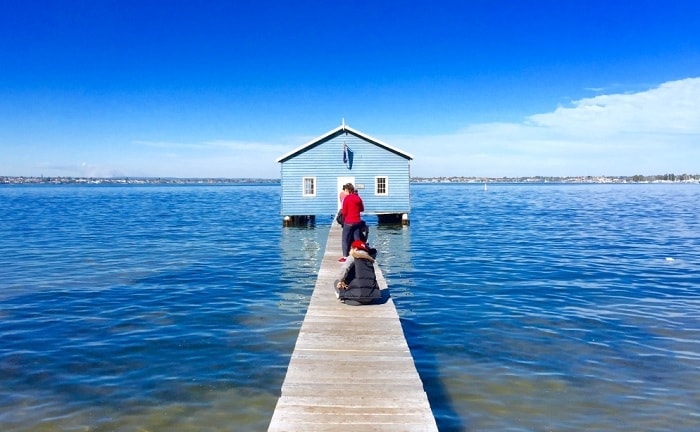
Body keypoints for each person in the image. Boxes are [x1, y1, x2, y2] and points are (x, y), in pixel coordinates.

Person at [334, 240, 381, 305]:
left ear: (355, 249)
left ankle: (341, 296)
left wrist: (341, 280)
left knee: (336, 282)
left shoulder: (353, 257)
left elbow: (345, 268)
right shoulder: (369, 260)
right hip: (370, 297)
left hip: (356, 296)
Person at [339, 183, 364, 262]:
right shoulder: (358, 198)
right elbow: (362, 209)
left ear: (347, 190)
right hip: (357, 221)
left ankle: (345, 257)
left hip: (349, 222)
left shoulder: (347, 199)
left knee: (345, 239)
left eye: (345, 191)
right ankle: (358, 253)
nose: (344, 193)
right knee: (357, 238)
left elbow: (344, 212)